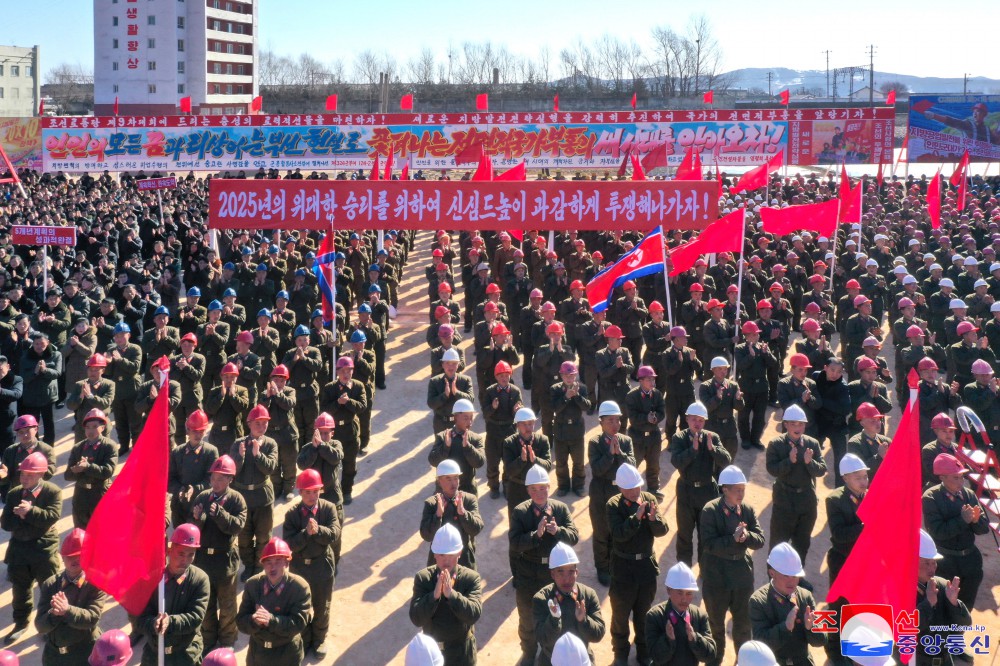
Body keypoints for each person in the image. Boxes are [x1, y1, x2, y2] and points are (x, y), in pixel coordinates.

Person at [509, 465, 580, 665]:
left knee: (556, 613)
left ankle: (552, 652)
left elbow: (574, 536)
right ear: (528, 490)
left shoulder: (560, 508)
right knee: (527, 616)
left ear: (549, 487)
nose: (539, 493)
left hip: (555, 573)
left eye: (543, 488)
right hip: (529, 571)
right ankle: (530, 652)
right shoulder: (520, 512)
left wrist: (558, 531)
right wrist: (536, 535)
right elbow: (514, 543)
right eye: (534, 489)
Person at [699, 465, 765, 666]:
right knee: (716, 625)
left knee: (744, 625)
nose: (741, 494)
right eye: (737, 489)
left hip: (741, 575)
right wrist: (733, 539)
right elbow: (709, 544)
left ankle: (742, 661)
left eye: (743, 489)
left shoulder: (747, 510)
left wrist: (746, 537)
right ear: (724, 489)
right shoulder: (710, 510)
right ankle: (715, 661)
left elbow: (759, 539)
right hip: (716, 575)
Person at [607, 463, 669, 666]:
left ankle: (643, 651)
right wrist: (636, 518)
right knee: (620, 615)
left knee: (644, 615)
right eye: (630, 488)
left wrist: (653, 519)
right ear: (620, 489)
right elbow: (618, 535)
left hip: (645, 568)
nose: (635, 492)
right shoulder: (613, 505)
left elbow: (662, 530)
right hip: (623, 570)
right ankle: (621, 652)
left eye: (637, 487)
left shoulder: (649, 499)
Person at [1, 451, 63, 644]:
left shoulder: (53, 492)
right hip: (20, 551)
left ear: (40, 474)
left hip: (44, 552)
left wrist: (29, 512)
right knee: (20, 590)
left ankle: (49, 625)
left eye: (29, 474)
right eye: (22, 474)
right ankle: (21, 623)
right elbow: (6, 523)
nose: (24, 478)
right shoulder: (14, 493)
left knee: (50, 590)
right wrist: (23, 517)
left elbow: (51, 517)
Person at [190, 455, 247, 654]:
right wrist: (197, 518)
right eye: (213, 478)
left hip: (225, 560)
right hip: (204, 559)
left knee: (227, 604)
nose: (216, 482)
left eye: (221, 478)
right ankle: (208, 637)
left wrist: (220, 514)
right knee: (206, 604)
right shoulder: (203, 497)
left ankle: (227, 639)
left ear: (230, 479)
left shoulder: (236, 500)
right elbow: (194, 528)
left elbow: (237, 527)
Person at [283, 469, 341, 658]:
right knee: (301, 605)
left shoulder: (328, 508)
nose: (311, 496)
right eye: (307, 492)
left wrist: (319, 531)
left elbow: (334, 534)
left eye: (315, 491)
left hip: (322, 564)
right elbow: (289, 544)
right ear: (300, 493)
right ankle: (304, 639)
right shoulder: (292, 514)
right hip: (299, 566)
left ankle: (319, 639)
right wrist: (306, 534)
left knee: (322, 603)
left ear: (320, 491)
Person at [409, 523, 484, 665]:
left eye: (451, 555)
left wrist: (452, 595)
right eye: (442, 555)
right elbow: (416, 618)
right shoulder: (423, 578)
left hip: (461, 653)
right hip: (432, 653)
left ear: (460, 553)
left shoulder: (470, 578)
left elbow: (474, 614)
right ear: (435, 555)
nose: (446, 560)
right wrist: (434, 596)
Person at [922, 453, 990, 609]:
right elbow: (937, 532)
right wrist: (962, 520)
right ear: (942, 478)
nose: (961, 482)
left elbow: (983, 528)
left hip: (970, 560)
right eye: (955, 478)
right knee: (943, 605)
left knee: (966, 603)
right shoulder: (931, 497)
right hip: (946, 561)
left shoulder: (969, 495)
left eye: (962, 477)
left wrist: (976, 521)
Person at [137, 524, 211, 665]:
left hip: (185, 656)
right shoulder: (153, 579)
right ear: (169, 551)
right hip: (154, 654)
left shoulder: (200, 580)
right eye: (181, 553)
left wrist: (170, 622)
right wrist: (153, 624)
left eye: (191, 555)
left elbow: (196, 618)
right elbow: (139, 619)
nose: (185, 560)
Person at [669, 401, 731, 566]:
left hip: (707, 491)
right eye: (694, 419)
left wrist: (712, 449)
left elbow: (726, 460)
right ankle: (684, 567)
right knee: (684, 533)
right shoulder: (679, 438)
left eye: (701, 420)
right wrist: (693, 450)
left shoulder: (712, 437)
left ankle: (705, 568)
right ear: (687, 419)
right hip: (686, 490)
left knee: (706, 534)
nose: (697, 423)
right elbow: (676, 461)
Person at [237, 537, 314, 666]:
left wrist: (271, 620)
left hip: (287, 654)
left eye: (278, 561)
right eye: (268, 562)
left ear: (287, 563)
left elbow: (299, 624)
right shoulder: (253, 585)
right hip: (258, 652)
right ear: (263, 564)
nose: (273, 567)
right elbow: (240, 621)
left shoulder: (300, 587)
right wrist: (253, 620)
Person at [35, 528, 107, 665]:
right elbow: (40, 625)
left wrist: (67, 610)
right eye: (70, 556)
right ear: (62, 558)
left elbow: (92, 618)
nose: (75, 559)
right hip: (55, 656)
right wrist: (54, 614)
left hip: (85, 654)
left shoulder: (96, 583)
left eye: (80, 555)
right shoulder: (50, 584)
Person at [748, 543, 826, 666]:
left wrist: (812, 628)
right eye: (786, 575)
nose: (792, 581)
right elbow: (761, 645)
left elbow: (821, 641)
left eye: (795, 576)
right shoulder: (758, 601)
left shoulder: (805, 596)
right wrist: (785, 627)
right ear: (772, 573)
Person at [765, 404, 826, 560]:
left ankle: (797, 577)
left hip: (806, 500)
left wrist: (809, 462)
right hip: (784, 499)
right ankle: (774, 576)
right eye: (793, 423)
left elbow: (821, 470)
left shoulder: (812, 444)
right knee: (778, 543)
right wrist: (789, 461)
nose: (797, 427)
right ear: (785, 425)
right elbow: (772, 469)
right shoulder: (776, 444)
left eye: (801, 424)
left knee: (802, 543)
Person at [532, 542, 605, 666]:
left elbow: (598, 635)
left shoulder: (588, 595)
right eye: (560, 572)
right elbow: (543, 639)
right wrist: (554, 620)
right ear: (552, 574)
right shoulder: (541, 599)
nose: (566, 579)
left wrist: (583, 620)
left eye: (571, 572)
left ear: (577, 572)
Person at [588, 401, 636, 586]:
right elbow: (597, 470)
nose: (615, 425)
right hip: (601, 491)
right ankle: (602, 567)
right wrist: (609, 455)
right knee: (601, 532)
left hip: (621, 493)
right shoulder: (595, 442)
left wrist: (620, 453)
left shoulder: (626, 440)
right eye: (610, 421)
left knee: (620, 531)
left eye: (617, 420)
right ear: (601, 422)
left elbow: (632, 465)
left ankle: (617, 565)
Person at [230, 404, 279, 581]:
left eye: (265, 423)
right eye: (258, 423)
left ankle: (259, 567)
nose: (262, 427)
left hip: (262, 496)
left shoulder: (271, 444)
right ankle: (248, 565)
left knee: (264, 536)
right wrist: (240, 457)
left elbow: (270, 468)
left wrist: (258, 455)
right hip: (242, 498)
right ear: (249, 424)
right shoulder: (238, 444)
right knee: (243, 538)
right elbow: (232, 471)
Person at [915, 529, 972, 666]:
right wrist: (928, 604)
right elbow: (905, 629)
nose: (932, 568)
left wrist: (954, 604)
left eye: (934, 562)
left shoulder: (941, 584)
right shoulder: (900, 592)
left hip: (944, 659)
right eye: (926, 563)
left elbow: (964, 624)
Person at [645, 562, 718, 666]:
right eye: (679, 593)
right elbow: (655, 656)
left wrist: (694, 638)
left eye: (689, 593)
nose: (684, 599)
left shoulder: (700, 616)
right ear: (668, 590)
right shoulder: (655, 616)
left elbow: (710, 655)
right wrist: (668, 639)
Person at [420, 460, 484, 570]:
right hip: (438, 560)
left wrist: (463, 513)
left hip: (464, 558)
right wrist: (437, 516)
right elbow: (426, 535)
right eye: (448, 479)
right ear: (439, 481)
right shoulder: (431, 503)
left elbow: (476, 529)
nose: (453, 483)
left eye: (455, 478)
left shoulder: (469, 500)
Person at [64, 408, 118, 528]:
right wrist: (76, 470)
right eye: (87, 427)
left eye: (94, 426)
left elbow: (107, 471)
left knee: (102, 530)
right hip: (81, 495)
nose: (90, 430)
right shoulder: (78, 447)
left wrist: (87, 467)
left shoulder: (109, 446)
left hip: (100, 493)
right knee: (80, 530)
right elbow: (67, 475)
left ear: (103, 428)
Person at [825, 454, 869, 586]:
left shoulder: (871, 496)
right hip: (843, 559)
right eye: (857, 478)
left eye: (865, 477)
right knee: (841, 603)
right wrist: (864, 527)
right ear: (845, 478)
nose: (863, 482)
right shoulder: (835, 500)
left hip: (865, 560)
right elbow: (838, 534)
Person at [550, 361, 591, 497]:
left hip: (576, 431)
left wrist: (577, 396)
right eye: (566, 375)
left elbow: (587, 406)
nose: (569, 378)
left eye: (572, 375)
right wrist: (566, 397)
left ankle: (579, 486)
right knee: (561, 463)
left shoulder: (582, 388)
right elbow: (554, 408)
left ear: (575, 375)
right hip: (561, 431)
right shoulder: (555, 389)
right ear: (561, 375)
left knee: (578, 462)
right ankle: (563, 486)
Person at [429, 399, 485, 496]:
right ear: (455, 417)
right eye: (466, 418)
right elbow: (433, 461)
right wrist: (445, 447)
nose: (470, 422)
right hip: (444, 491)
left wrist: (468, 447)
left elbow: (479, 462)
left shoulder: (476, 439)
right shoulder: (443, 437)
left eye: (471, 418)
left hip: (467, 491)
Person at [502, 408, 554, 512]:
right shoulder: (509, 443)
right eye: (524, 424)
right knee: (516, 522)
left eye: (530, 423)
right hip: (517, 489)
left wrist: (535, 460)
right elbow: (509, 470)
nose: (528, 427)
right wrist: (521, 460)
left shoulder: (542, 441)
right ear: (517, 425)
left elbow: (548, 466)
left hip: (537, 490)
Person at [483, 360, 522, 498]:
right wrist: (492, 408)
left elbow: (519, 413)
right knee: (492, 462)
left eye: (506, 375)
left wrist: (517, 410)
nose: (504, 378)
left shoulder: (515, 391)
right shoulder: (489, 392)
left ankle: (507, 486)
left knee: (508, 462)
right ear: (496, 377)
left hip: (509, 430)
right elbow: (485, 413)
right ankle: (493, 487)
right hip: (493, 430)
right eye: (501, 376)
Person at [626, 365, 666, 497]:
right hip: (637, 437)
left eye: (653, 379)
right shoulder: (632, 396)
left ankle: (653, 488)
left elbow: (662, 411)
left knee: (654, 464)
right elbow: (632, 417)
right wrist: (646, 418)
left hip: (653, 436)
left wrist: (656, 418)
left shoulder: (657, 394)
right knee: (634, 464)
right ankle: (631, 488)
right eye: (649, 379)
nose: (652, 382)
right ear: (641, 380)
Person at [0, 415, 56, 503]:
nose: (25, 435)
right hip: (17, 494)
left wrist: (32, 469)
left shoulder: (46, 449)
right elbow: (5, 478)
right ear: (17, 434)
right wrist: (3, 475)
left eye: (28, 431)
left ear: (36, 429)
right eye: (21, 432)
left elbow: (50, 472)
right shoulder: (10, 451)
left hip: (39, 494)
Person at [20, 331, 63, 446]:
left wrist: (45, 370)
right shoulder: (25, 357)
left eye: (42, 343)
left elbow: (57, 373)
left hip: (48, 395)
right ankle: (34, 445)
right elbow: (23, 378)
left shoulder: (56, 354)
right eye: (36, 344)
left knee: (49, 422)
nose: (39, 346)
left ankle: (48, 446)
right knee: (33, 424)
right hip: (31, 396)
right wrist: (34, 372)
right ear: (32, 344)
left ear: (48, 342)